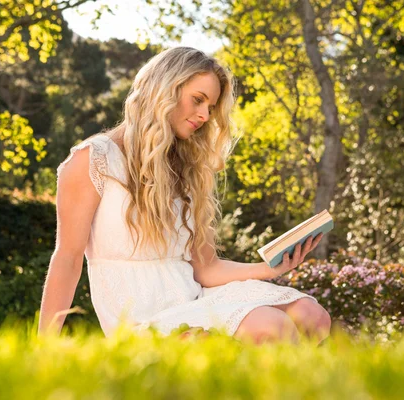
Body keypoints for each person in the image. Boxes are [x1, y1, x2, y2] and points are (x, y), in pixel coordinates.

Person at [38, 47, 330, 345]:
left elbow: (206, 267)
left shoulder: (187, 167)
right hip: (142, 317)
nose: (205, 115)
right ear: (163, 90)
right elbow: (68, 259)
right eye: (198, 100)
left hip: (194, 297)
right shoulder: (93, 160)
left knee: (311, 315)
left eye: (211, 107)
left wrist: (271, 269)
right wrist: (45, 346)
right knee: (272, 327)